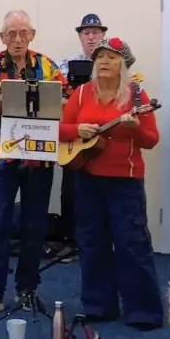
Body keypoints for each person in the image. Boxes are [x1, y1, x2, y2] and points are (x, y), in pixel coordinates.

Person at [59, 37, 164, 329]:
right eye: (101, 57)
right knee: (92, 244)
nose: (105, 61)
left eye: (113, 58)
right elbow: (60, 130)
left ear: (124, 65)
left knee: (132, 245)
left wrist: (134, 129)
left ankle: (144, 312)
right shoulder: (81, 94)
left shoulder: (138, 98)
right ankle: (98, 306)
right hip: (87, 179)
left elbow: (151, 140)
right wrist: (77, 128)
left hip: (125, 183)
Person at [0, 10, 67, 316]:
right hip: (2, 155)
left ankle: (27, 288)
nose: (17, 39)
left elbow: (66, 102)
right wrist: (4, 102)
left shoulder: (49, 66)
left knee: (35, 223)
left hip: (40, 155)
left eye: (23, 33)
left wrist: (48, 103)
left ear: (32, 35)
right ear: (2, 38)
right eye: (11, 34)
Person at [56, 14, 108, 258]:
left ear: (102, 36)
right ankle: (69, 240)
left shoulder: (111, 65)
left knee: (100, 189)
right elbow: (54, 96)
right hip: (73, 137)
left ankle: (96, 242)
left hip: (102, 137)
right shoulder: (65, 65)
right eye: (86, 33)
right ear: (80, 37)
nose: (90, 36)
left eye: (95, 32)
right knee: (70, 190)